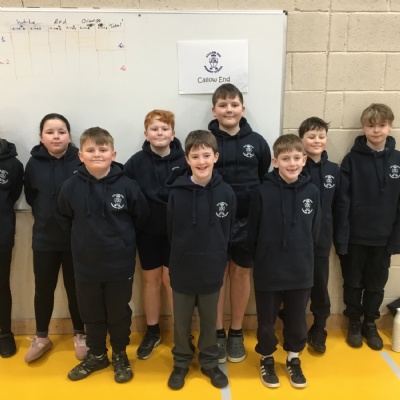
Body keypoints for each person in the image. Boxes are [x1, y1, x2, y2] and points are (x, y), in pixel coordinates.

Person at [56, 127, 149, 383]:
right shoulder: (70, 187)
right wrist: (84, 242)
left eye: (103, 149)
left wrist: (121, 241)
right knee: (91, 312)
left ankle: (119, 354)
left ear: (113, 154)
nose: (97, 154)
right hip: (85, 264)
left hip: (119, 264)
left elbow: (140, 217)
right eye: (90, 150)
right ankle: (97, 354)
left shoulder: (127, 186)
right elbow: (64, 218)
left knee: (119, 312)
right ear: (81, 155)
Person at [248, 134, 321, 389]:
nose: (292, 163)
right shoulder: (262, 192)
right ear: (275, 161)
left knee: (297, 319)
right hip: (268, 268)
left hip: (300, 268)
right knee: (266, 320)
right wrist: (261, 258)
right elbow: (253, 231)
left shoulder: (312, 191)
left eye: (296, 158)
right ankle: (267, 357)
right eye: (286, 158)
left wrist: (303, 254)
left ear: (304, 160)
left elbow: (314, 230)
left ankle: (293, 357)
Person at [165, 130, 236, 390]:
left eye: (206, 155)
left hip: (211, 267)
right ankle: (181, 361)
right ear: (187, 159)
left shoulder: (226, 193)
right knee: (181, 320)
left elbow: (227, 230)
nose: (201, 161)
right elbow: (171, 230)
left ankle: (209, 361)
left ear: (216, 157)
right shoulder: (176, 193)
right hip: (183, 267)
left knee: (209, 319)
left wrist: (218, 257)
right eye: (195, 156)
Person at [208, 83, 271, 363]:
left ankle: (236, 332)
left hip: (248, 221)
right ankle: (217, 332)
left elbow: (262, 175)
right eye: (223, 105)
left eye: (234, 104)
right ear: (214, 110)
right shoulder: (206, 140)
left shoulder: (257, 142)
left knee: (241, 273)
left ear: (242, 109)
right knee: (217, 274)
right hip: (214, 222)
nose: (229, 109)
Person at [334, 103, 400, 351]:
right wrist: (342, 239)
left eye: (382, 125)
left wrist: (396, 239)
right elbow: (343, 203)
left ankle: (370, 323)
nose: (376, 130)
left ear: (390, 127)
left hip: (384, 238)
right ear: (363, 128)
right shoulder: (351, 160)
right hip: (356, 237)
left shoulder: (397, 160)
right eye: (371, 126)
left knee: (376, 284)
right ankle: (354, 321)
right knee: (353, 282)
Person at [24, 113, 87, 363]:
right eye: (50, 132)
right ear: (41, 137)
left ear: (69, 136)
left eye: (61, 131)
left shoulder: (80, 160)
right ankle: (41, 337)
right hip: (44, 239)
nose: (56, 136)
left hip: (75, 239)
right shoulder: (33, 164)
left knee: (76, 288)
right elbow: (31, 196)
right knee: (43, 289)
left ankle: (80, 334)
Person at [124, 110, 186, 360]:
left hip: (177, 233)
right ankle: (152, 331)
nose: (159, 133)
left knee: (172, 280)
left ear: (173, 133)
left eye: (164, 128)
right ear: (146, 133)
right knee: (151, 280)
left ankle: (181, 332)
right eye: (154, 129)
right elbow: (127, 194)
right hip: (147, 232)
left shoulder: (186, 159)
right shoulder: (135, 163)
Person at [299, 117, 339, 353]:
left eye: (321, 136)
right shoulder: (294, 167)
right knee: (296, 284)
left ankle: (319, 326)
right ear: (302, 139)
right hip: (297, 239)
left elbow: (339, 206)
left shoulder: (334, 170)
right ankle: (294, 325)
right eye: (311, 136)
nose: (316, 140)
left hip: (322, 238)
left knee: (319, 283)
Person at [0, 137, 23, 358]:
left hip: (2, 233)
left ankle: (4, 333)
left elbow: (13, 196)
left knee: (1, 285)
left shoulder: (12, 164)